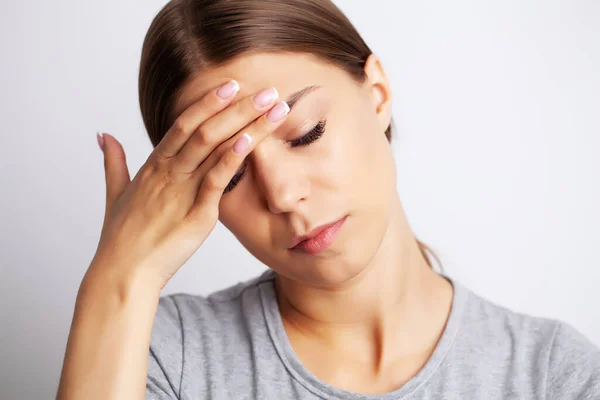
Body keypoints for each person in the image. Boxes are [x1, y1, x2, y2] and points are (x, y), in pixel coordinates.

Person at [56, 0, 600, 399]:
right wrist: (120, 276)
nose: (285, 194)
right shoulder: (161, 355)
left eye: (306, 133)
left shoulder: (553, 375)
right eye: (230, 173)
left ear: (378, 95)